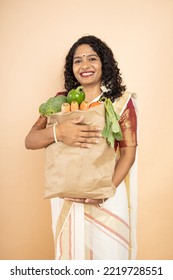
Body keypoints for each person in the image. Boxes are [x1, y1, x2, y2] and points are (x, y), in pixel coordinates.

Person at [25, 35, 137, 260]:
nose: (85, 65)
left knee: (110, 260)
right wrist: (59, 132)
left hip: (107, 196)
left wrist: (104, 192)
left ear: (103, 64)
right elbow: (30, 140)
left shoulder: (120, 103)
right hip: (67, 196)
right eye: (78, 61)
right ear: (71, 68)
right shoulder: (61, 101)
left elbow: (128, 154)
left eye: (92, 59)